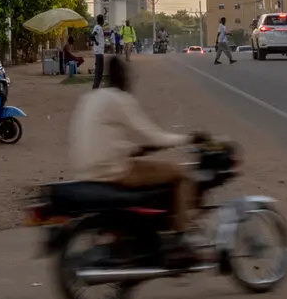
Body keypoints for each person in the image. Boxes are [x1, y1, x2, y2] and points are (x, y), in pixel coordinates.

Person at [69, 55, 199, 238]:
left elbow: (104, 138)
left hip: (85, 170)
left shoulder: (91, 97)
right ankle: (183, 232)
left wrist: (134, 149)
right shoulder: (119, 99)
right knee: (181, 174)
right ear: (122, 77)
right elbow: (154, 136)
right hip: (112, 172)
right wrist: (189, 139)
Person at [91, 16, 108, 89]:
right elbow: (92, 36)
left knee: (100, 70)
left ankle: (97, 86)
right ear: (102, 21)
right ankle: (95, 86)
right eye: (103, 20)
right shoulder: (97, 27)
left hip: (100, 51)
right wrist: (96, 42)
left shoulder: (99, 27)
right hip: (98, 52)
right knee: (99, 70)